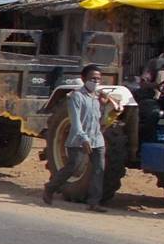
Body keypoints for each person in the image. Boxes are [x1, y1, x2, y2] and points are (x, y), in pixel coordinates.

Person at [43, 64, 112, 212]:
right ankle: (50, 188)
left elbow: (101, 119)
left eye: (98, 79)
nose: (95, 82)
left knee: (99, 169)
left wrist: (104, 105)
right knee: (73, 167)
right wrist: (84, 139)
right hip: (79, 139)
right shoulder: (76, 97)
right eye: (92, 78)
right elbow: (75, 122)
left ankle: (94, 202)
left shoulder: (98, 98)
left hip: (97, 139)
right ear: (83, 78)